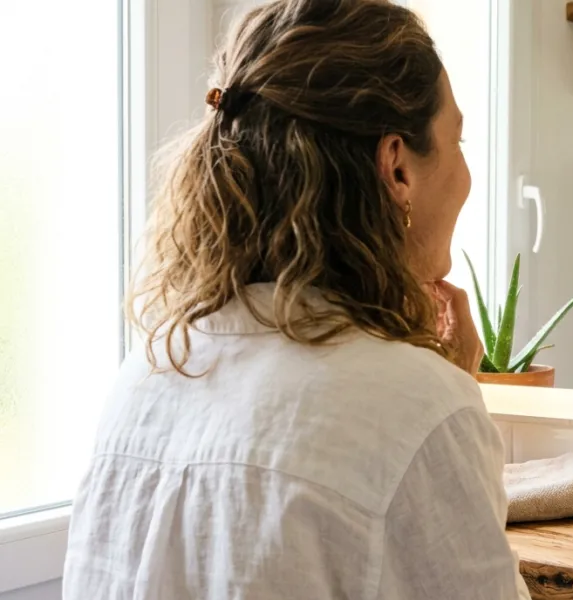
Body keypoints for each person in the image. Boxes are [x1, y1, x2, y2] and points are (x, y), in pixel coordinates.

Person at [62, 1, 530, 598]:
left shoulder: (143, 379)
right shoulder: (420, 410)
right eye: (458, 141)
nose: (466, 173)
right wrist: (450, 386)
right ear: (396, 168)